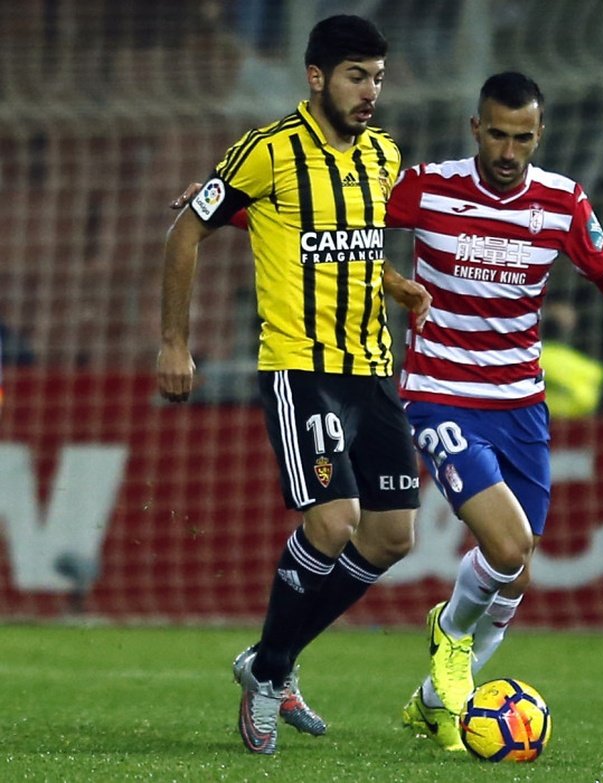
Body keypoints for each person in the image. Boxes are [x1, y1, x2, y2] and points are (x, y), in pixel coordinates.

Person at [385, 72, 603, 751]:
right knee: (505, 546)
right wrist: (226, 209)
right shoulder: (428, 187)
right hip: (440, 392)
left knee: (518, 570)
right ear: (475, 128)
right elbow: (330, 218)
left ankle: (432, 703)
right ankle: (450, 634)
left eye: (522, 137)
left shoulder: (562, 202)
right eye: (497, 134)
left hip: (521, 405)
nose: (509, 150)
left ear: (538, 135)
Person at [157, 15, 430, 755]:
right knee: (334, 519)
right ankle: (272, 671)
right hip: (300, 365)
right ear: (316, 77)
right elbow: (187, 229)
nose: (370, 91)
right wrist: (175, 341)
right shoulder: (269, 151)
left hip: (371, 366)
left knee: (393, 533)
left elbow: (347, 246)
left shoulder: (382, 156)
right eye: (355, 76)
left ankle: (266, 661)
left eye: (377, 76)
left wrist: (395, 282)